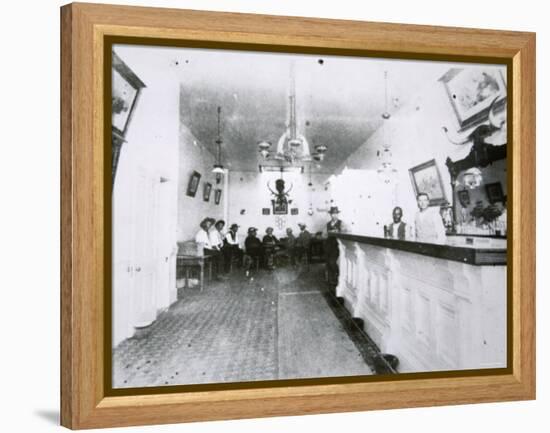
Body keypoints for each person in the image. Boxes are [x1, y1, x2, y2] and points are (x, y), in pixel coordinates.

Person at [325, 206, 345, 286]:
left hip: (337, 246)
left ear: (338, 214)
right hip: (328, 246)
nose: (334, 215)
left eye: (336, 214)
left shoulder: (341, 223)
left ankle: (337, 274)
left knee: (332, 262)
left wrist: (339, 231)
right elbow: (324, 234)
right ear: (330, 215)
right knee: (328, 263)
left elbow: (347, 232)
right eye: (333, 214)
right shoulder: (328, 224)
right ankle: (331, 280)